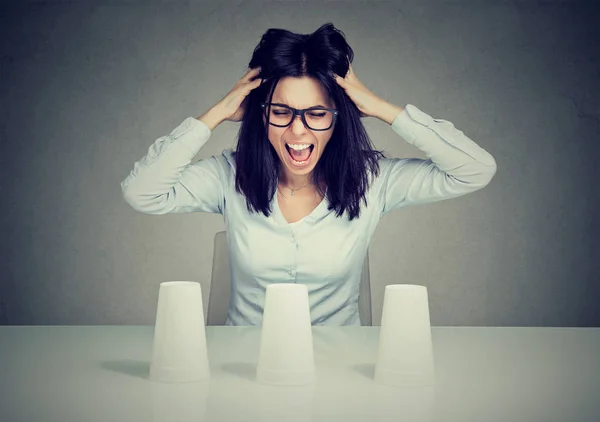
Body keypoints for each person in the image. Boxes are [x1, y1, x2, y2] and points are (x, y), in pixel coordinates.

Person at [121, 23, 497, 326]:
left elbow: (475, 170)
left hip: (338, 370)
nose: (298, 132)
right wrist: (216, 112)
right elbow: (142, 192)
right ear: (260, 114)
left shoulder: (373, 179)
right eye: (281, 112)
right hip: (244, 368)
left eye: (317, 113)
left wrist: (381, 107)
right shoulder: (229, 175)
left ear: (339, 117)